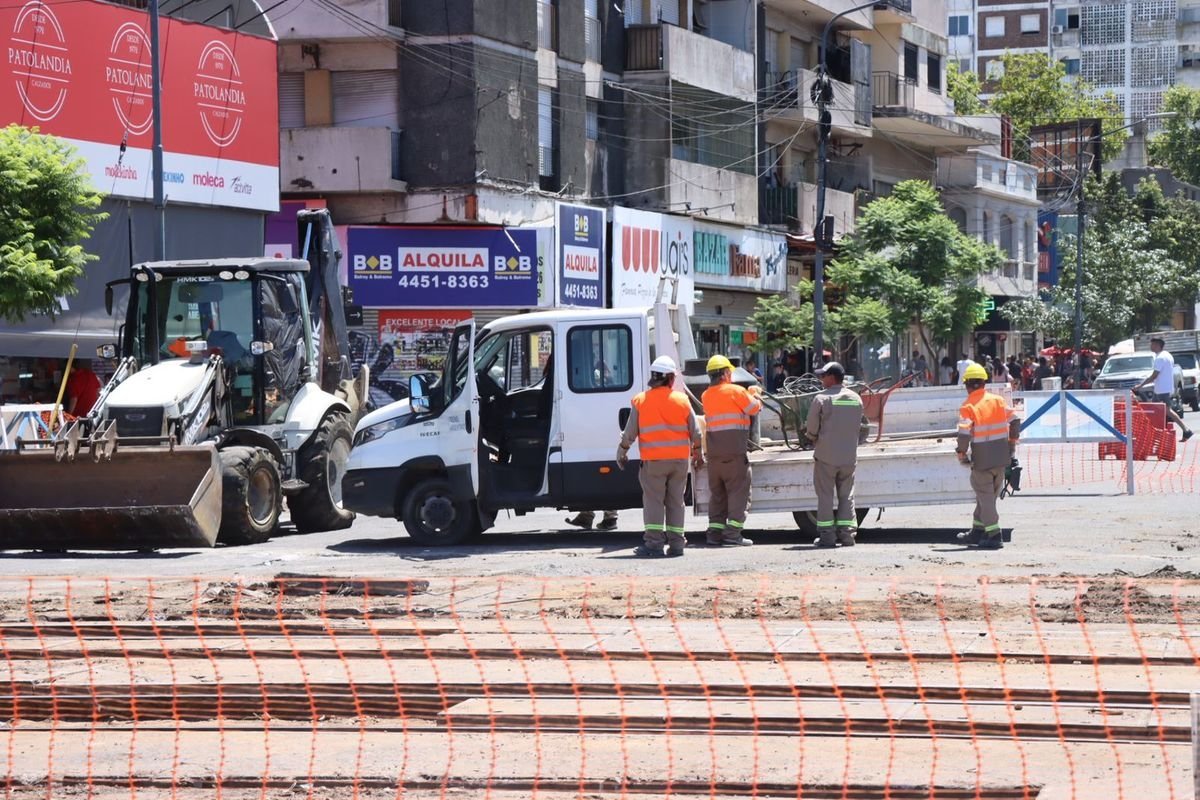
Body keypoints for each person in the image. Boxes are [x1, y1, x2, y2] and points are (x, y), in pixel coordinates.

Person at [616, 355, 703, 558]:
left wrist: (622, 451)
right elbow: (697, 433)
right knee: (676, 501)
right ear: (671, 378)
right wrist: (698, 452)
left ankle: (654, 545)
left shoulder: (641, 401)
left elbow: (630, 432)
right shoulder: (682, 400)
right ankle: (676, 545)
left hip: (653, 462)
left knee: (654, 501)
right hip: (679, 462)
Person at [955, 362, 1020, 550]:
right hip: (1001, 458)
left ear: (967, 384)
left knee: (986, 498)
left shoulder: (967, 406)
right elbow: (1015, 422)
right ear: (985, 382)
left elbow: (964, 434)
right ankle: (977, 531)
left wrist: (961, 453)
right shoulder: (998, 401)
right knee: (985, 497)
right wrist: (1012, 447)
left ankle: (994, 535)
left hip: (982, 460)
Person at [701, 354, 762, 547]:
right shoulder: (736, 391)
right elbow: (754, 408)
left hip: (714, 455)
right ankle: (733, 535)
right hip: (734, 454)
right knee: (738, 493)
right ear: (726, 373)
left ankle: (714, 534)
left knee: (717, 495)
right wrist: (755, 393)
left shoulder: (706, 395)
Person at [804, 362, 864, 548]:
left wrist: (811, 438)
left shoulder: (821, 399)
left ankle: (827, 537)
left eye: (823, 376)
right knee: (847, 495)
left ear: (832, 377)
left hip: (826, 456)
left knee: (825, 496)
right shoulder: (856, 398)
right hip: (848, 457)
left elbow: (812, 428)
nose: (821, 379)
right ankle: (847, 536)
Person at [1133, 337, 1194, 442]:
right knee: (1156, 412)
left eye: (1152, 344)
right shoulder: (1167, 355)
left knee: (1166, 411)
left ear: (1157, 345)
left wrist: (1140, 386)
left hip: (1162, 390)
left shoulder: (1160, 358)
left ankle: (1185, 430)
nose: (1150, 346)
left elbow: (1154, 376)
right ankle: (1157, 434)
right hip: (1162, 389)